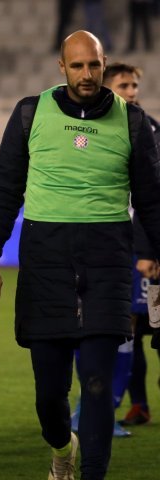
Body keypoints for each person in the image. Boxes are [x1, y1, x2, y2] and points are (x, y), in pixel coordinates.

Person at [0, 31, 160, 480]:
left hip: (106, 261)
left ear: (104, 67)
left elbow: (151, 201)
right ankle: (63, 449)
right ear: (62, 66)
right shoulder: (29, 114)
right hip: (46, 261)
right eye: (77, 66)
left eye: (94, 67)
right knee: (48, 394)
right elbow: (6, 193)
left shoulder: (134, 121)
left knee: (98, 382)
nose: (86, 75)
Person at [102, 62, 159, 427]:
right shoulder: (95, 127)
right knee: (128, 327)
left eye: (135, 85)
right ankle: (137, 403)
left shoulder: (149, 128)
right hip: (110, 244)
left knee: (153, 322)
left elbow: (152, 195)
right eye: (124, 85)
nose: (132, 91)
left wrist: (150, 250)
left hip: (144, 247)